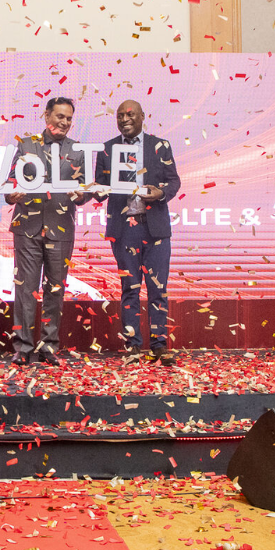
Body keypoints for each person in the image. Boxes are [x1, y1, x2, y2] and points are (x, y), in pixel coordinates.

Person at [93, 99, 182, 365]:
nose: (124, 119)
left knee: (158, 288)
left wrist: (162, 193)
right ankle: (133, 345)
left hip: (154, 226)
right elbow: (99, 184)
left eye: (130, 114)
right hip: (124, 229)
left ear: (143, 116)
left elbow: (174, 180)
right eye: (120, 115)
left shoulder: (160, 145)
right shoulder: (107, 149)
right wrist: (94, 191)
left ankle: (159, 345)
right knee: (129, 288)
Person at [5, 97, 91, 366]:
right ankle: (23, 347)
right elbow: (9, 183)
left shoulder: (79, 150)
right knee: (25, 290)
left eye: (68, 118)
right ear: (46, 116)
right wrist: (12, 195)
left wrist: (82, 196)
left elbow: (86, 188)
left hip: (61, 228)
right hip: (27, 229)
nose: (64, 122)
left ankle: (49, 346)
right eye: (59, 117)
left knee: (55, 290)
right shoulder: (26, 144)